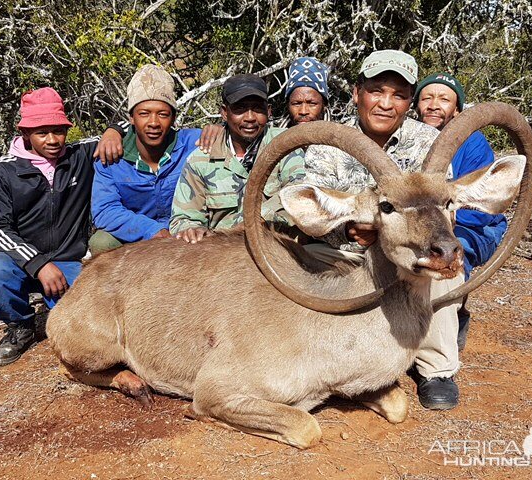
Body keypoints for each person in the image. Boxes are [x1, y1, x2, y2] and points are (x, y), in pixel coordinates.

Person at [302, 50, 465, 411]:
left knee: (445, 266)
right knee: (308, 261)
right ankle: (320, 356)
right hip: (346, 250)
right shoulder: (328, 145)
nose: (386, 103)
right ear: (357, 92)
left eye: (400, 95)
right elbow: (316, 209)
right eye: (377, 91)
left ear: (409, 101)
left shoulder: (428, 143)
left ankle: (435, 368)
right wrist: (349, 232)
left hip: (409, 252)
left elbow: (442, 206)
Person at [0, 88, 118, 366]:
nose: (53, 140)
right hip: (20, 263)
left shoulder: (79, 155)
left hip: (70, 261)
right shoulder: (3, 170)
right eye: (42, 132)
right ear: (25, 132)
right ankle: (20, 326)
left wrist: (112, 130)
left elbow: (132, 125)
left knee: (92, 313)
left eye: (59, 131)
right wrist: (39, 264)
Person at [413, 72, 507, 352]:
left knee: (451, 256)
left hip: (475, 226)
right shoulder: (412, 139)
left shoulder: (473, 143)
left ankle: (454, 315)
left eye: (444, 99)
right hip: (428, 226)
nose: (433, 105)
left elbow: (482, 207)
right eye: (427, 97)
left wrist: (441, 222)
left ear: (457, 110)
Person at [169, 73, 305, 242]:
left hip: (278, 247)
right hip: (224, 254)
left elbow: (299, 193)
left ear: (269, 111)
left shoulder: (286, 145)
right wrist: (191, 230)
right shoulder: (200, 160)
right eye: (240, 109)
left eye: (257, 109)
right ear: (225, 113)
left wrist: (249, 224)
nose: (250, 118)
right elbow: (182, 219)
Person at [88, 65, 201, 255]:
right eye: (144, 114)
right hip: (137, 237)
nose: (154, 123)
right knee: (101, 242)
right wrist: (152, 230)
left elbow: (234, 130)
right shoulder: (111, 154)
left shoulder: (194, 143)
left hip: (186, 233)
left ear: (174, 118)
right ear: (131, 118)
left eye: (163, 114)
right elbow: (105, 210)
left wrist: (219, 129)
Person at [196, 56, 330, 152]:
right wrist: (223, 129)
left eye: (312, 103)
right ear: (287, 105)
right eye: (296, 103)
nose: (303, 111)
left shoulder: (338, 145)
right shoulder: (276, 140)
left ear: (324, 105)